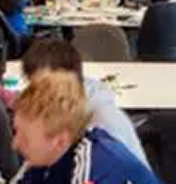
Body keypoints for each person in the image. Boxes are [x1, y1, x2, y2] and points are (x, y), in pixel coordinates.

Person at [10, 72, 160, 184]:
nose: (15, 144)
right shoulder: (44, 159)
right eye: (16, 132)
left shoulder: (95, 163)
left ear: (60, 141)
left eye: (25, 138)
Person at [20, 38, 147, 165]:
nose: (40, 96)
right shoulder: (56, 114)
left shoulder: (103, 122)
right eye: (35, 88)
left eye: (47, 87)